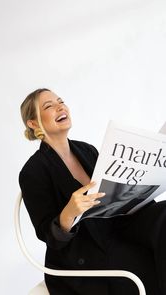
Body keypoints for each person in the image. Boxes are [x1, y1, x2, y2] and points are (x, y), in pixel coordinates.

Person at [19, 88, 166, 295]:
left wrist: (137, 188)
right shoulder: (32, 172)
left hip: (119, 223)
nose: (60, 106)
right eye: (49, 106)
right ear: (33, 123)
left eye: (61, 101)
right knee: (139, 262)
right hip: (85, 247)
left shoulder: (87, 150)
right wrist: (68, 213)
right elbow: (47, 235)